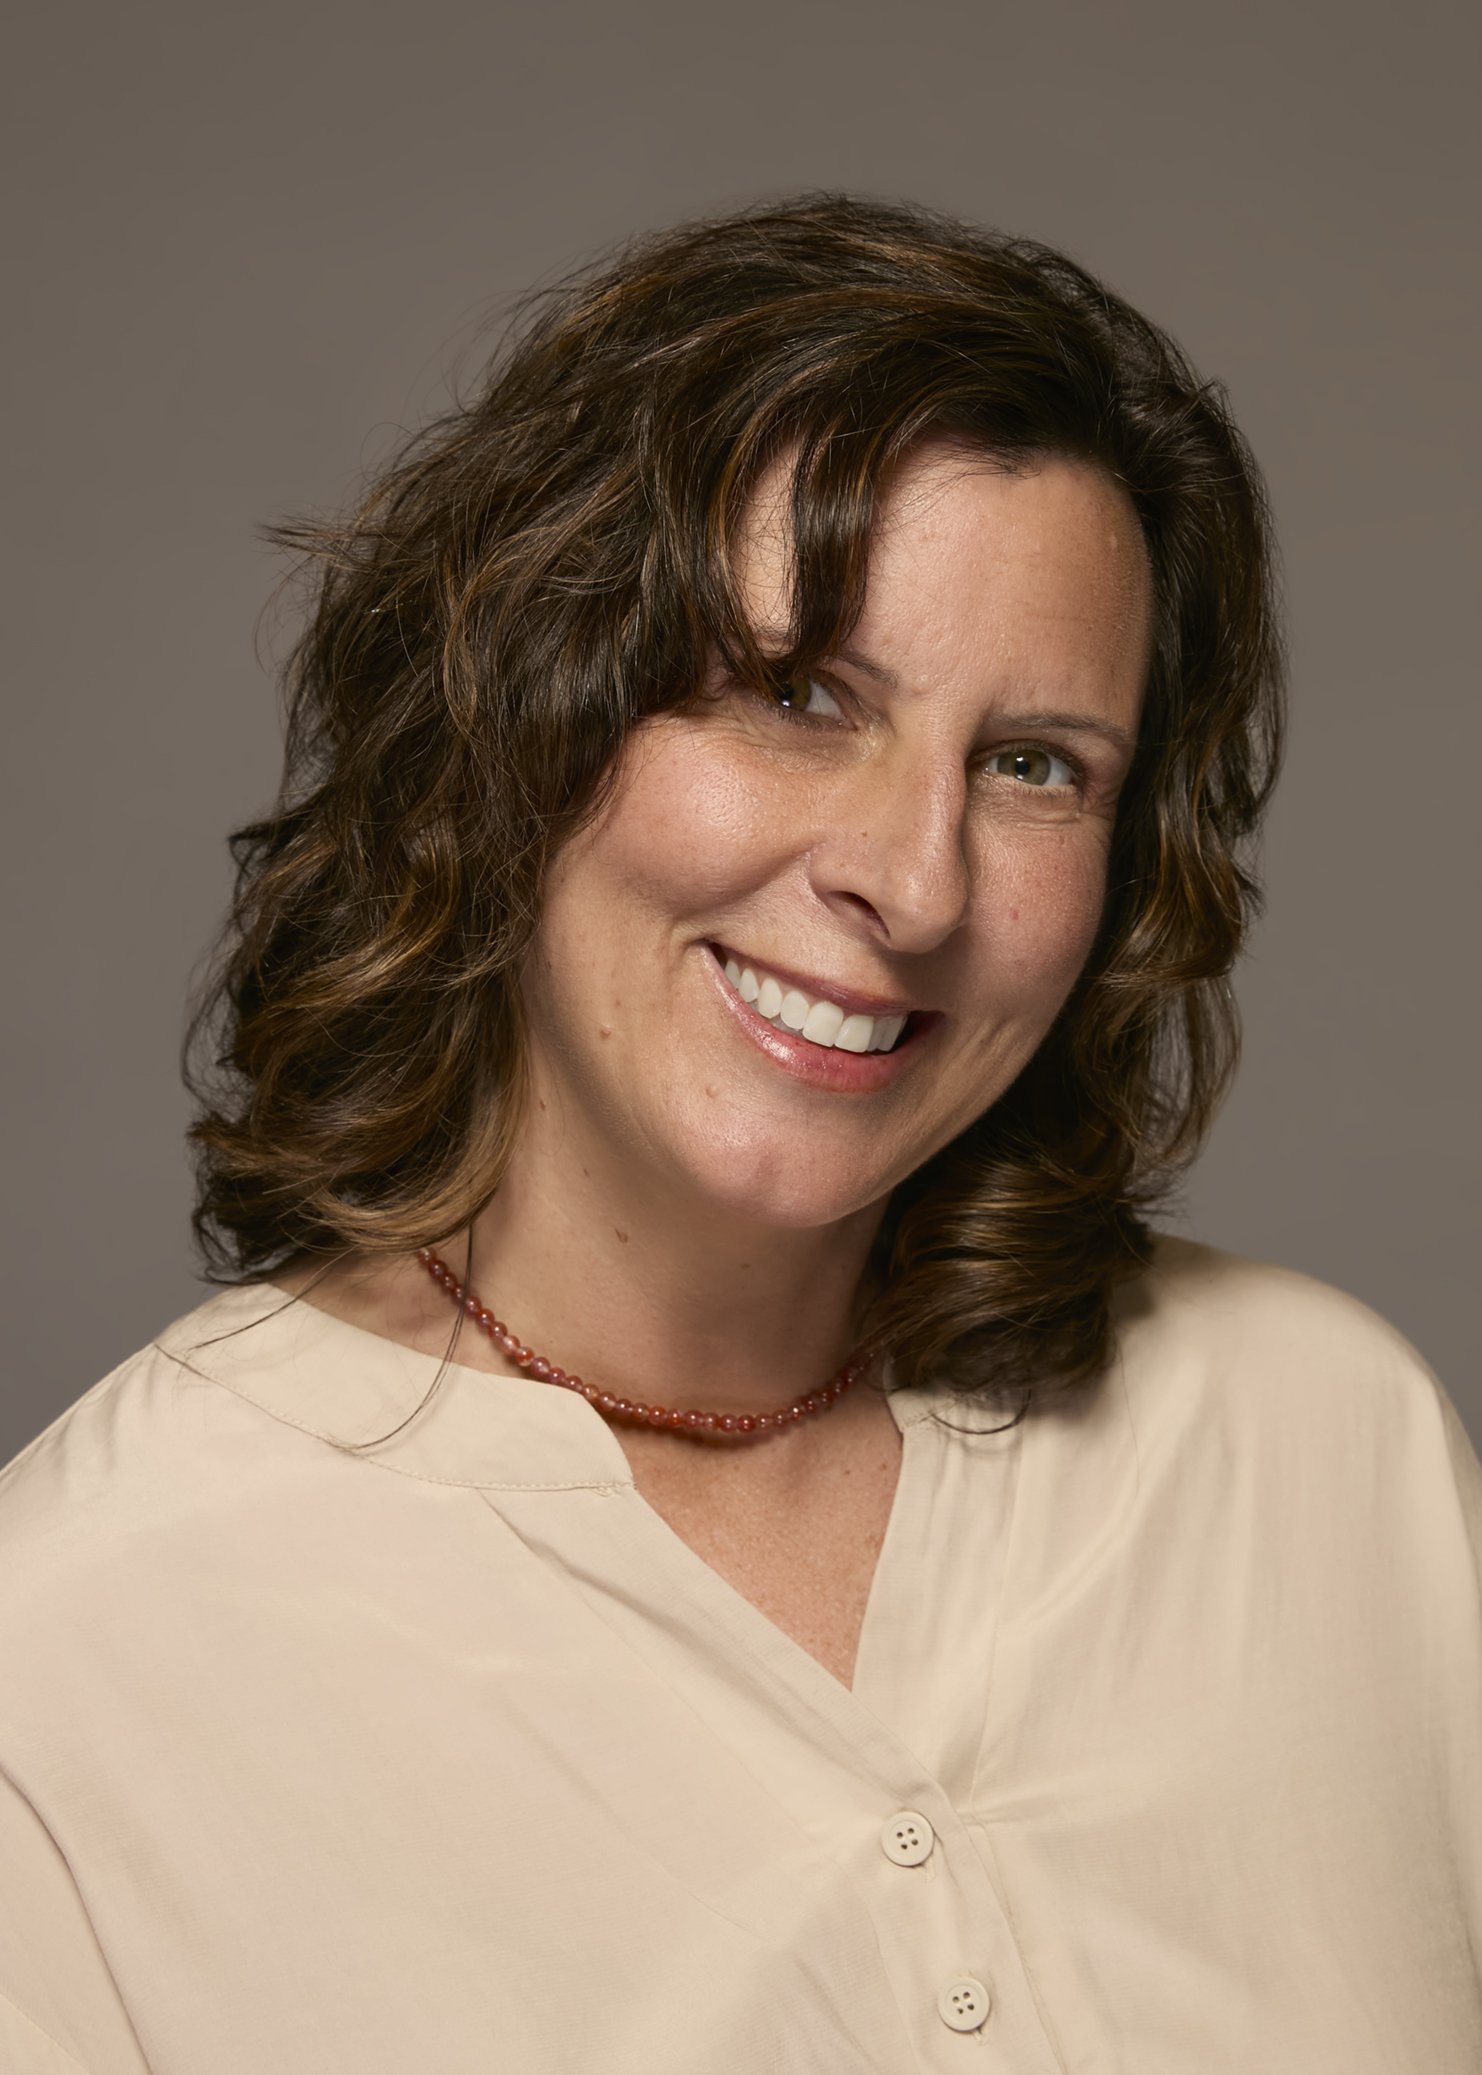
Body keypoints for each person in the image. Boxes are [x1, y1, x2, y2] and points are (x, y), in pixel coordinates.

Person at [1, 193, 1478, 2074]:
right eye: (796, 696)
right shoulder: (71, 1668)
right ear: (514, 710)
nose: (909, 877)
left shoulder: (1325, 1451)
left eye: (1034, 766)